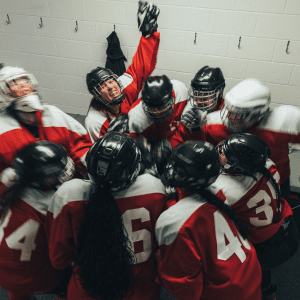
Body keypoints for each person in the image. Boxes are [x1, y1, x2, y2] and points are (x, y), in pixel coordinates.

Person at [45, 132, 168, 300]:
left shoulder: (69, 195)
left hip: (88, 289)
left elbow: (59, 260)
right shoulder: (154, 188)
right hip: (140, 290)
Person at [155, 140, 262, 300]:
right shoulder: (219, 191)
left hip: (227, 292)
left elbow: (184, 288)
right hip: (249, 275)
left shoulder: (172, 221)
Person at [179, 78, 300, 201]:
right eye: (229, 110)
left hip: (274, 181)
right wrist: (191, 129)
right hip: (236, 184)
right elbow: (200, 150)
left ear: (258, 113)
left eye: (239, 114)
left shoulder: (282, 122)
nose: (229, 117)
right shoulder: (214, 123)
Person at [210, 133, 299, 300]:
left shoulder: (225, 188)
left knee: (249, 270)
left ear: (238, 167)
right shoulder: (269, 165)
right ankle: (268, 290)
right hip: (282, 227)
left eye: (225, 154)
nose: (221, 152)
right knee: (264, 269)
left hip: (259, 242)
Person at [0, 66, 93, 196]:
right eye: (14, 83)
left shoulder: (53, 114)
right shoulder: (2, 131)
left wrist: (90, 164)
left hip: (69, 187)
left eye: (24, 80)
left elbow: (80, 145)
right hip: (31, 196)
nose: (23, 85)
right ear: (4, 92)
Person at [0, 141, 75, 300]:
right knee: (73, 281)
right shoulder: (53, 203)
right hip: (35, 279)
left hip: (3, 272)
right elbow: (60, 257)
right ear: (41, 179)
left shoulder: (9, 182)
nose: (64, 171)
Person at [85, 1, 160, 142]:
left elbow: (142, 64)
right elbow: (98, 155)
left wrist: (149, 34)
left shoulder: (124, 85)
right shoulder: (95, 121)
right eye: (103, 86)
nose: (110, 87)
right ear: (97, 95)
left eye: (110, 81)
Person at [128, 74, 189, 143]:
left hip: (174, 135)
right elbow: (136, 144)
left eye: (161, 106)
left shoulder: (180, 91)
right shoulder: (136, 116)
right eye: (152, 106)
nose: (157, 112)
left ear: (171, 96)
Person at [180, 65, 226, 132]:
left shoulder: (228, 114)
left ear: (218, 93)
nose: (198, 101)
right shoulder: (190, 109)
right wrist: (186, 129)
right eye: (196, 95)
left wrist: (200, 128)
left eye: (203, 98)